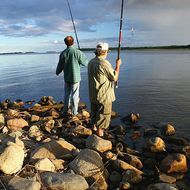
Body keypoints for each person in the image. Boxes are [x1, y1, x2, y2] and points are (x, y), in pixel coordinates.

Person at [88, 42, 122, 137]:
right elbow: (114, 77)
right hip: (104, 96)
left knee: (94, 115)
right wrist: (118, 65)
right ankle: (99, 138)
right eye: (107, 51)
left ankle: (93, 132)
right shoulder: (105, 63)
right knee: (103, 117)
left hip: (93, 94)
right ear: (105, 52)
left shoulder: (90, 62)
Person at [56, 36, 88, 116]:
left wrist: (57, 71)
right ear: (73, 42)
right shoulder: (77, 52)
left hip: (67, 77)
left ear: (65, 43)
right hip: (75, 77)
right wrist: (81, 56)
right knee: (75, 95)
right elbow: (86, 63)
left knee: (66, 94)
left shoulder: (63, 53)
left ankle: (65, 111)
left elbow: (60, 65)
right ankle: (74, 112)